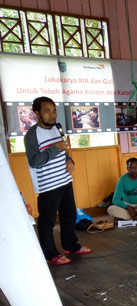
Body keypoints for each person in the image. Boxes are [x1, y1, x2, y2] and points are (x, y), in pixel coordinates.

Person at [24, 96, 91, 265]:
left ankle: (71, 245)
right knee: (47, 222)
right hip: (48, 185)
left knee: (69, 216)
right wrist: (55, 149)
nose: (53, 115)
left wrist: (69, 160)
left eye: (54, 110)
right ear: (36, 113)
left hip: (64, 180)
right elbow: (34, 161)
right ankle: (50, 254)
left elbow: (64, 150)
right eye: (47, 111)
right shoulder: (32, 135)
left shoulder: (58, 128)